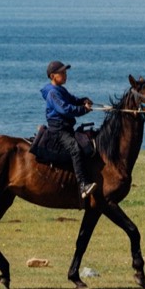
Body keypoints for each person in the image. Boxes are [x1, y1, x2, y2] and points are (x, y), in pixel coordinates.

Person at [40, 60, 97, 199]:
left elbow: (72, 99)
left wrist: (83, 101)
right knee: (75, 149)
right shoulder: (52, 93)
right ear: (53, 76)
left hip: (66, 127)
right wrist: (83, 110)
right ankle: (83, 185)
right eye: (62, 73)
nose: (65, 75)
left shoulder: (60, 89)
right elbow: (65, 109)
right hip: (58, 129)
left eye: (65, 72)